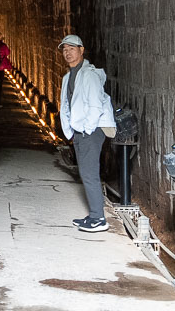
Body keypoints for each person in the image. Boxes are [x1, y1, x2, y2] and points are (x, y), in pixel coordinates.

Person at [58, 34, 114, 232]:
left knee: (89, 173)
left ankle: (99, 219)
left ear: (81, 50)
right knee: (85, 172)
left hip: (91, 130)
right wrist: (71, 132)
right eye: (65, 49)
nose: (67, 53)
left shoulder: (89, 74)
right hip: (80, 130)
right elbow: (66, 104)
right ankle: (94, 214)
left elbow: (95, 104)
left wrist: (87, 129)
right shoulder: (69, 76)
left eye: (72, 48)